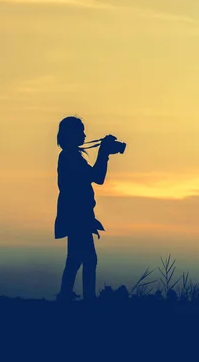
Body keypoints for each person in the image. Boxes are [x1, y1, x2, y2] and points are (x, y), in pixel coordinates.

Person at [54, 116, 113, 301]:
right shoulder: (70, 158)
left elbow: (95, 177)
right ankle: (87, 299)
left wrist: (104, 152)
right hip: (77, 217)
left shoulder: (70, 157)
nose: (84, 134)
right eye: (81, 131)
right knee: (87, 260)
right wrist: (104, 153)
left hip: (77, 216)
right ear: (71, 135)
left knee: (75, 260)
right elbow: (98, 177)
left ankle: (67, 296)